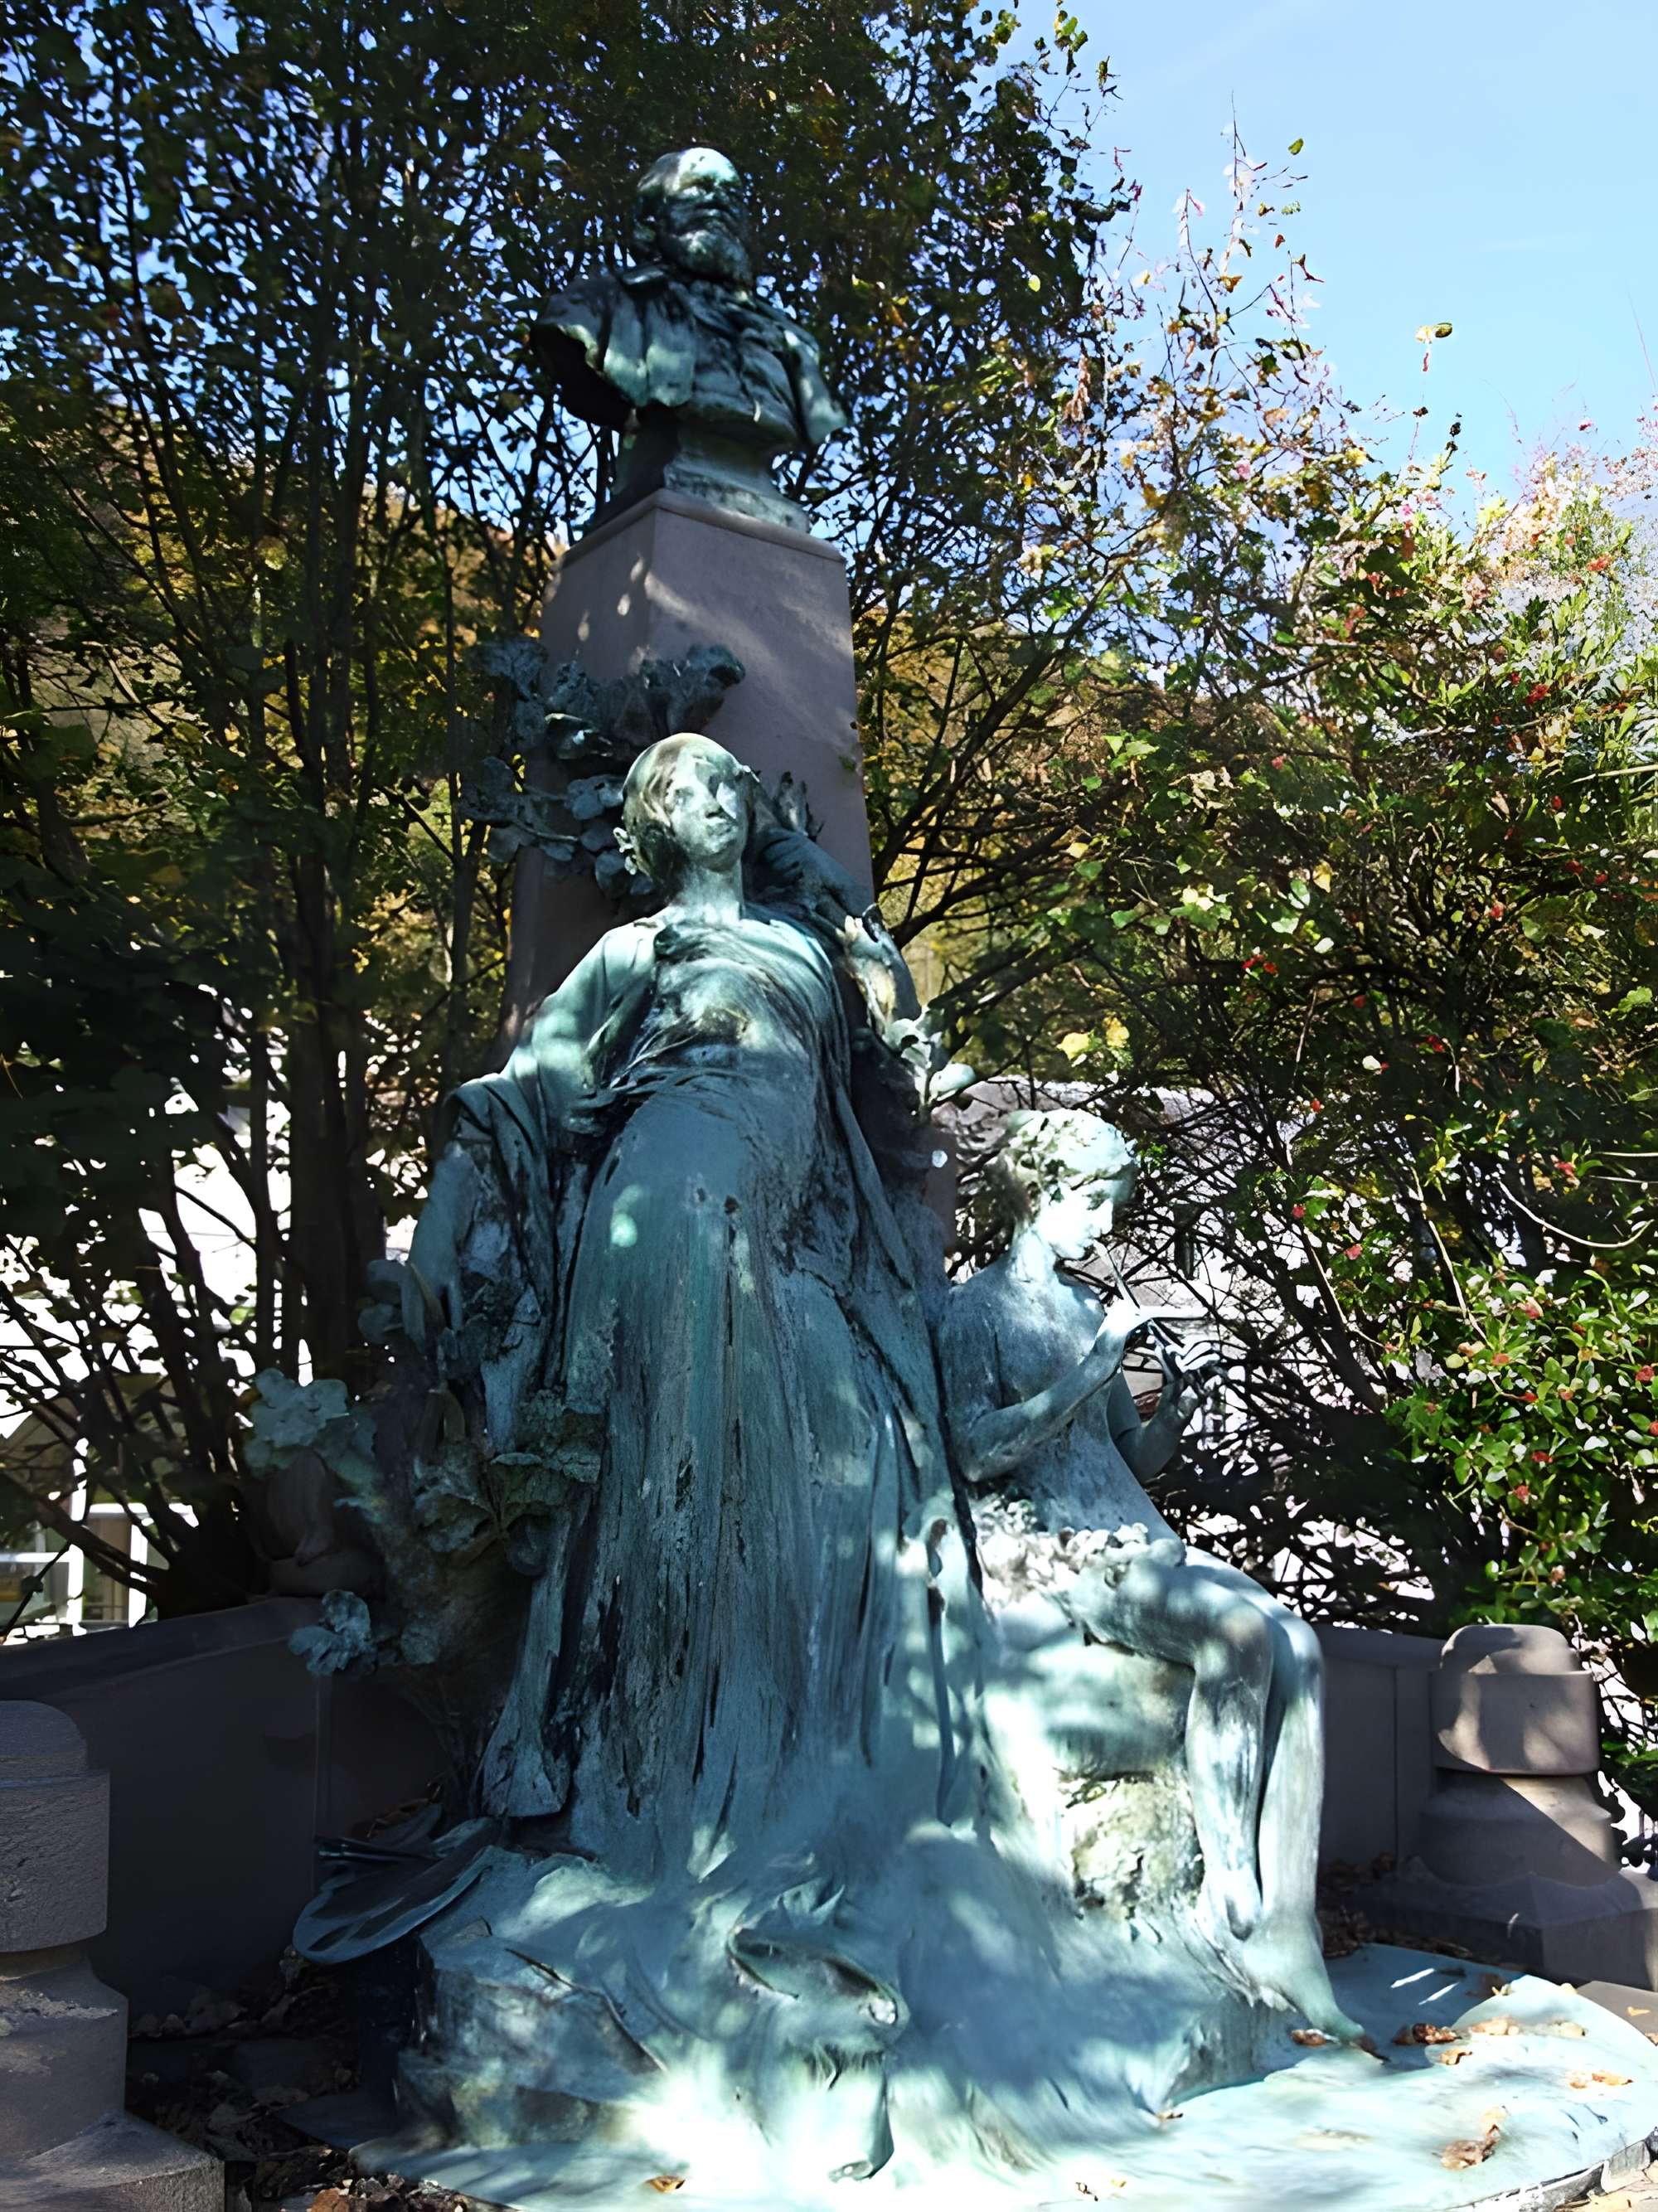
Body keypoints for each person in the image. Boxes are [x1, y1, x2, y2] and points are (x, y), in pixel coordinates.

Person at [938, 1108, 1362, 2040]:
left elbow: (1130, 1457)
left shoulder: (1088, 1306)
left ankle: (1287, 1935)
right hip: (1059, 1553)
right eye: (1089, 1200)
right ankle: (1229, 1886)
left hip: (1133, 1533)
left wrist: (1175, 1408)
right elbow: (973, 1452)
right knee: (1242, 1633)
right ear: (1037, 1194)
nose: (1103, 1222)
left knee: (1297, 1641)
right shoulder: (972, 1313)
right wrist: (1093, 1369)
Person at [532, 147, 845, 531]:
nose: (717, 203)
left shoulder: (793, 341)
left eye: (732, 196)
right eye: (700, 187)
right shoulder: (597, 307)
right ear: (653, 213)